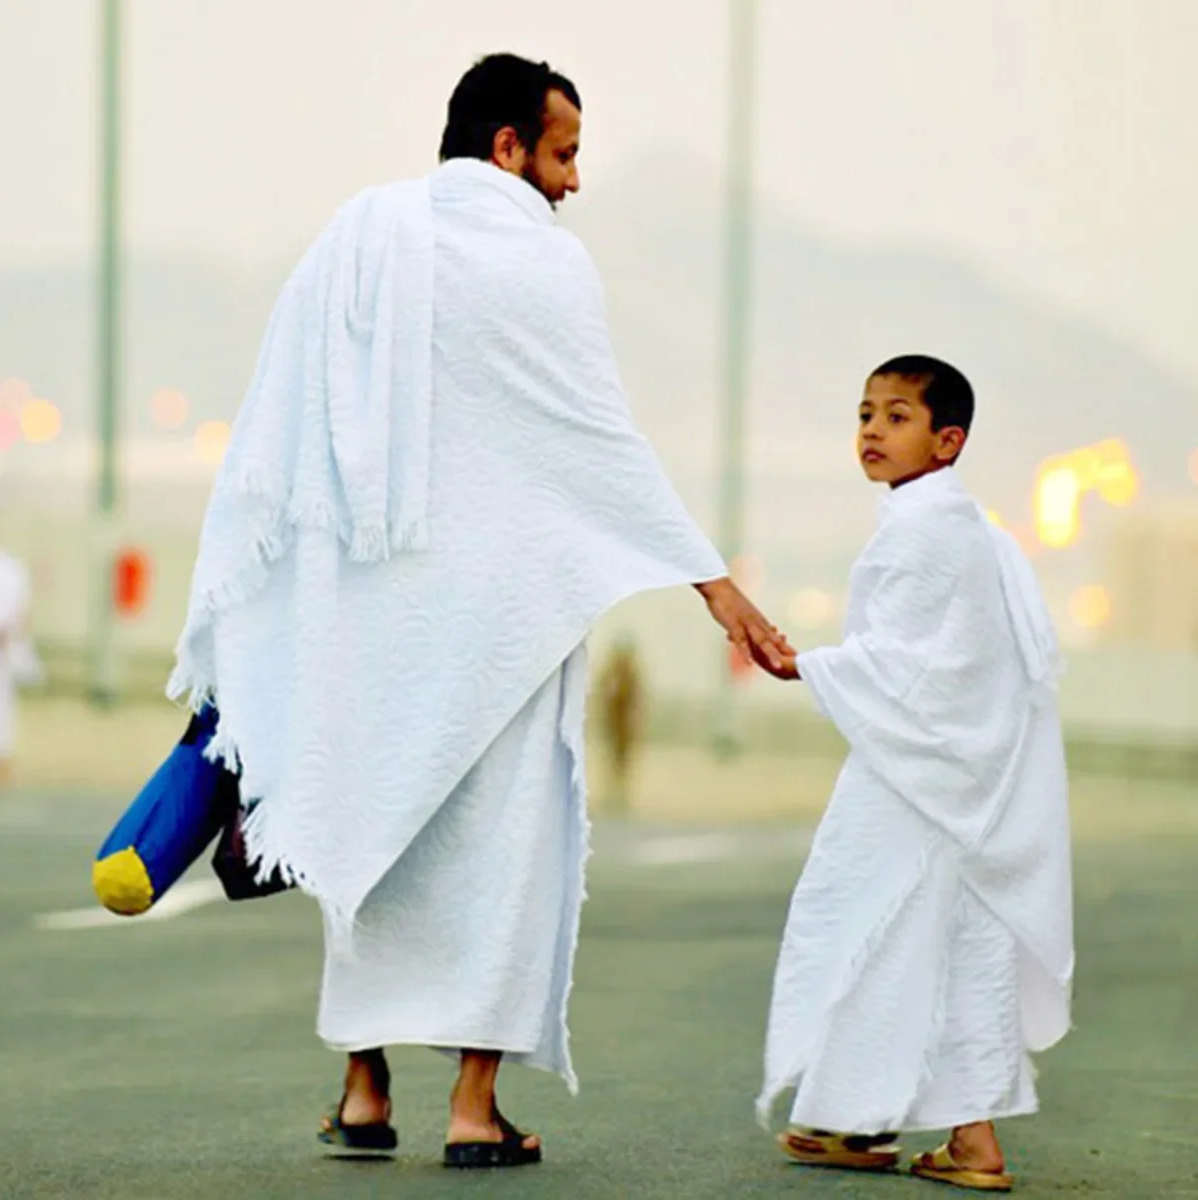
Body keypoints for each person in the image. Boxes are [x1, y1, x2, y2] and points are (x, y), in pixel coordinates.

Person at [169, 52, 791, 1169]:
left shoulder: (357, 237)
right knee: (502, 858)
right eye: (564, 153)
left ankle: (363, 1095)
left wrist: (278, 600)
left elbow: (283, 420)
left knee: (369, 837)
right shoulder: (543, 266)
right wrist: (715, 582)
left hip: (368, 615)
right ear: (507, 146)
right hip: (503, 620)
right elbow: (596, 440)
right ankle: (471, 1108)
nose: (574, 182)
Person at [758, 356, 1073, 1191]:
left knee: (869, 924)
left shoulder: (925, 530)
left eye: (896, 416)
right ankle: (874, 1125)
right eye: (864, 413)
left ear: (947, 441)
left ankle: (941, 1135)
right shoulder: (963, 527)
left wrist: (809, 669)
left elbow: (912, 670)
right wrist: (832, 669)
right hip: (956, 775)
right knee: (928, 939)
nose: (870, 430)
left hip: (919, 775)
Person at [0, 546, 37, 788]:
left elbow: (22, 613)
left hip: (5, 647)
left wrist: (10, 635)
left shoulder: (11, 569)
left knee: (3, 708)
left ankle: (3, 763)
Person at [595, 634, 644, 813]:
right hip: (613, 723)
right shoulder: (611, 673)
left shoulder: (630, 674)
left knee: (623, 760)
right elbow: (602, 694)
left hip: (625, 725)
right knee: (611, 759)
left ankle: (621, 794)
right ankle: (612, 793)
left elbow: (637, 699)